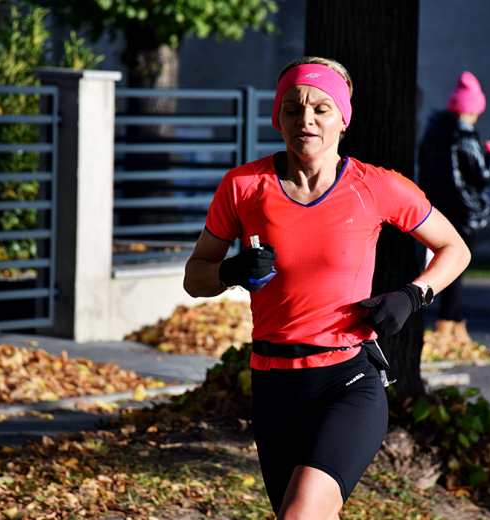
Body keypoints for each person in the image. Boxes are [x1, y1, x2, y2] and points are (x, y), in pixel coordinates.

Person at [183, 57, 471, 519]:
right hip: (273, 385)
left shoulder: (375, 187)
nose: (306, 119)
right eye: (293, 108)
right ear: (277, 118)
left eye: (321, 107)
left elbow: (455, 249)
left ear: (342, 119)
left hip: (346, 380)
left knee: (300, 515)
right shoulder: (243, 186)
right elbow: (194, 276)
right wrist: (232, 272)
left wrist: (413, 295)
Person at [417, 71, 490, 345]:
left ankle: (451, 323)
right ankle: (448, 323)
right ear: (471, 111)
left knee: (440, 264)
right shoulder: (466, 139)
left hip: (437, 210)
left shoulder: (433, 133)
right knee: (457, 266)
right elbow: (482, 176)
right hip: (464, 212)